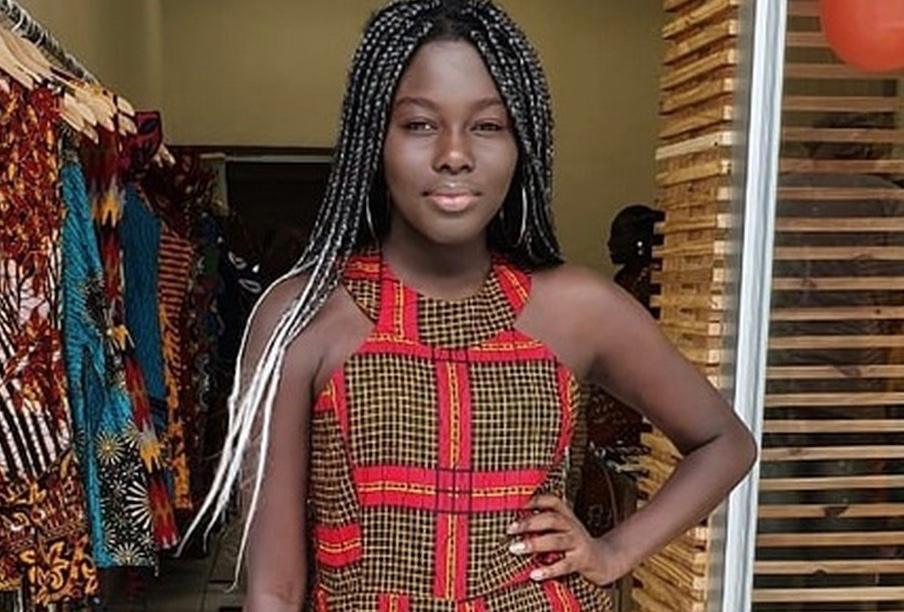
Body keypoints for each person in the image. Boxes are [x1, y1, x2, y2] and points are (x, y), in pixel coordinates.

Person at [186, 1, 758, 610]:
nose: (454, 154)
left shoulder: (579, 309)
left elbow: (725, 441)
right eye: (419, 124)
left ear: (522, 143)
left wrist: (614, 552)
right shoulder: (302, 315)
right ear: (373, 139)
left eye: (487, 126)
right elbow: (274, 588)